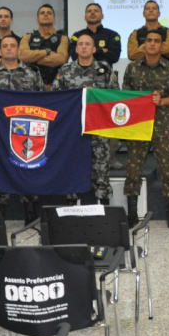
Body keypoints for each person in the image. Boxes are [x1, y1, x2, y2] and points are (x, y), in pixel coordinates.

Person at [0, 34, 44, 220]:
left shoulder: (32, 74)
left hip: (25, 135)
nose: (10, 48)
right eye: (6, 46)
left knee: (27, 172)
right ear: (0, 51)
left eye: (13, 45)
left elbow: (43, 102)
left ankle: (30, 217)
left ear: (19, 50)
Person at [122, 31, 169, 229]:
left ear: (161, 46)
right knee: (133, 170)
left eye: (156, 41)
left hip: (163, 124)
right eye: (148, 41)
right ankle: (132, 214)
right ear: (143, 45)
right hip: (138, 125)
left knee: (168, 170)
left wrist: (163, 101)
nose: (152, 44)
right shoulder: (132, 68)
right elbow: (124, 95)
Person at [52, 34, 119, 207]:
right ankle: (71, 207)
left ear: (94, 49)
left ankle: (104, 208)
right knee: (72, 167)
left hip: (98, 128)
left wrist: (95, 94)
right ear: (76, 49)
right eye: (80, 44)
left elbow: (115, 97)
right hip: (73, 129)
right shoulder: (65, 71)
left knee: (101, 168)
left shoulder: (104, 70)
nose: (83, 47)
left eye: (87, 44)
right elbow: (55, 98)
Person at [18, 4, 68, 90]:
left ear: (54, 19)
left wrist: (33, 59)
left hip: (55, 87)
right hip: (31, 86)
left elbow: (61, 59)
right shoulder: (28, 37)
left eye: (49, 13)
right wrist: (47, 52)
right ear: (37, 20)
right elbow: (22, 56)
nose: (45, 14)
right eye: (42, 13)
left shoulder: (63, 38)